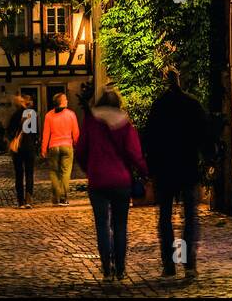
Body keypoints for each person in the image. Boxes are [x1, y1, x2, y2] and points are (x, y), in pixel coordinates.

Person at [144, 66, 208, 279]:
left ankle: (169, 264)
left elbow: (150, 140)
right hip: (187, 167)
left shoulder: (159, 106)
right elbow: (203, 135)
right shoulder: (192, 104)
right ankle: (189, 263)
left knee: (165, 217)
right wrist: (205, 161)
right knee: (190, 216)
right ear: (180, 80)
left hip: (165, 169)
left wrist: (151, 169)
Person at [76, 88, 147, 281]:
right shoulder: (125, 124)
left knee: (102, 225)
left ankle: (106, 267)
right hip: (120, 181)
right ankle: (121, 268)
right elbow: (134, 153)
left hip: (98, 181)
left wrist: (90, 169)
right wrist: (143, 172)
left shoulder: (91, 123)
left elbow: (81, 150)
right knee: (120, 225)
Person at [40, 92, 79, 205]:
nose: (67, 101)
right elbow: (76, 133)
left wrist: (44, 148)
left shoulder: (49, 115)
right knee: (65, 172)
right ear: (61, 102)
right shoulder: (71, 114)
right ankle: (63, 197)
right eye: (65, 99)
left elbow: (46, 133)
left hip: (53, 146)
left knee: (54, 172)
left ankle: (56, 195)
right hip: (67, 146)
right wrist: (77, 144)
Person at [6, 95, 39, 208]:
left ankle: (20, 201)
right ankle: (28, 199)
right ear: (26, 102)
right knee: (29, 173)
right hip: (29, 147)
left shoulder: (15, 115)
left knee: (19, 174)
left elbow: (9, 131)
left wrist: (13, 139)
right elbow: (35, 133)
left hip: (18, 148)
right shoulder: (32, 114)